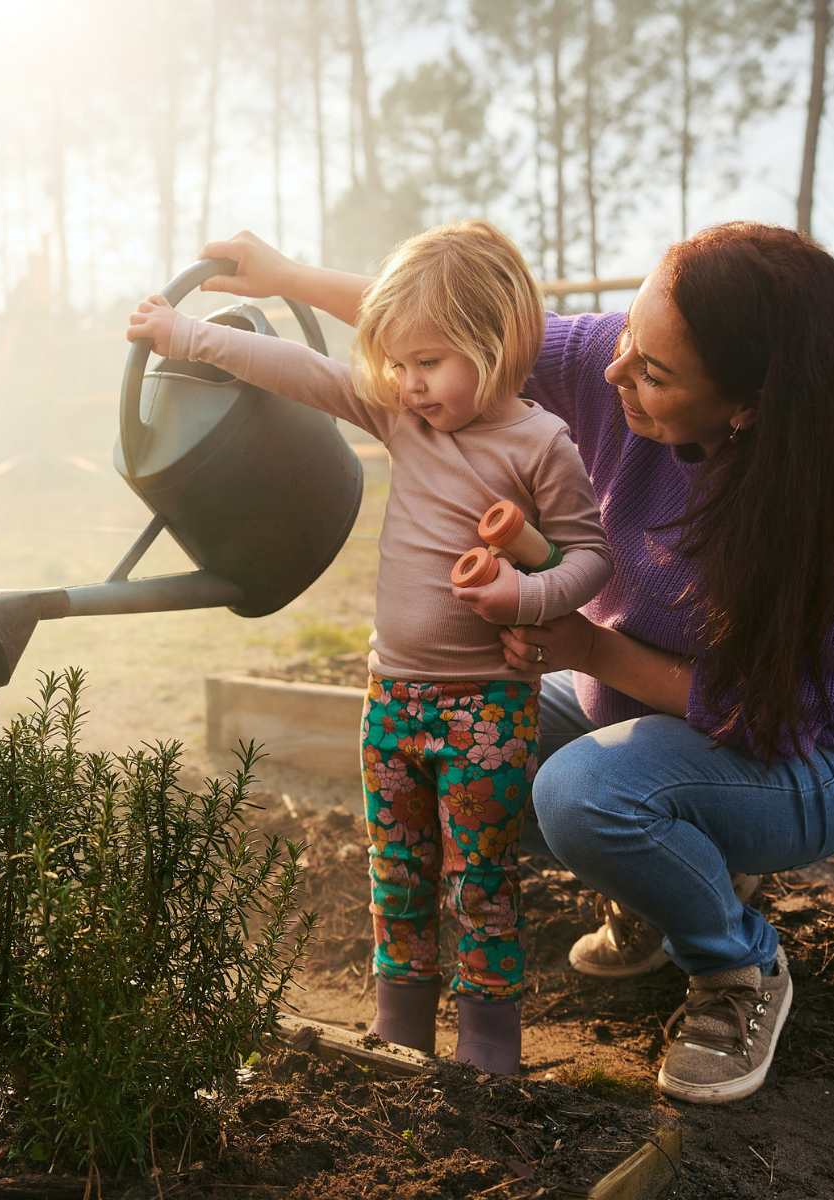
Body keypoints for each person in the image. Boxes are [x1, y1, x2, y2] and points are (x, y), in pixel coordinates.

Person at [188, 222, 834, 1105]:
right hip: (639, 707)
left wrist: (590, 647)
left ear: (747, 407)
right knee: (475, 742)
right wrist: (285, 274)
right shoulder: (620, 365)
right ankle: (661, 877)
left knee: (582, 797)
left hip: (802, 758)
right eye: (627, 337)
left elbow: (765, 712)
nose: (614, 372)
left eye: (653, 371)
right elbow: (454, 327)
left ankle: (737, 968)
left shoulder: (820, 520)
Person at [127, 220, 614, 1075]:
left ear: (495, 344)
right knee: (396, 868)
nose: (408, 381)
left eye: (428, 361)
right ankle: (401, 1029)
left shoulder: (541, 445)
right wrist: (184, 335)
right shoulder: (401, 416)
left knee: (479, 877)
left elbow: (590, 557)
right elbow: (299, 370)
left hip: (487, 710)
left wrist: (524, 596)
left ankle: (488, 1047)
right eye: (397, 362)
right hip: (390, 700)